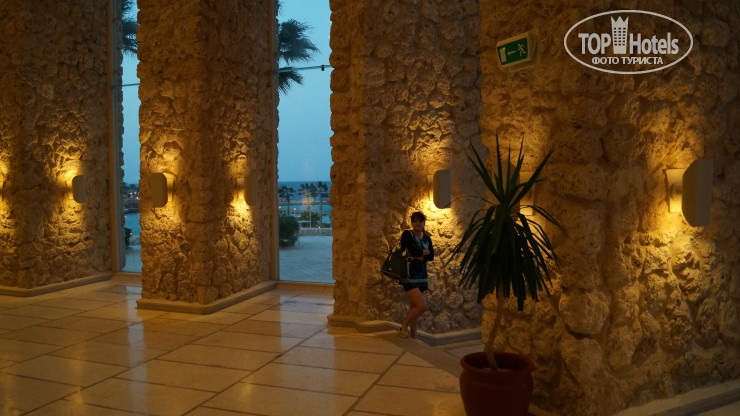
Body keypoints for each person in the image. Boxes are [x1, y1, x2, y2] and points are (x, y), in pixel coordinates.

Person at [398, 211, 434, 339]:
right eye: (415, 221)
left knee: (414, 306)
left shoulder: (427, 237)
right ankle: (404, 325)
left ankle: (413, 337)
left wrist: (420, 254)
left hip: (422, 274)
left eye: (420, 221)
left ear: (424, 222)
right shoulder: (407, 234)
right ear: (412, 223)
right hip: (409, 274)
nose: (417, 223)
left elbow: (431, 256)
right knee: (421, 306)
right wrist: (424, 252)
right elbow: (411, 251)